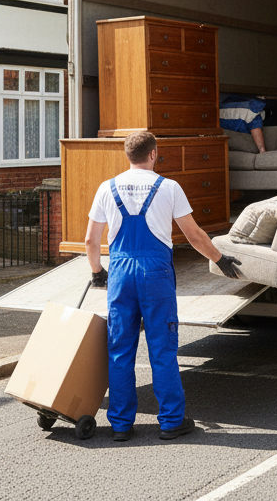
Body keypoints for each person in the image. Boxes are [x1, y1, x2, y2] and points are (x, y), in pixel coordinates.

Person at [84, 131, 243, 442]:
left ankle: (120, 424)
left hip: (120, 273)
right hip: (155, 273)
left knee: (119, 350)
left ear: (126, 155)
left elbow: (91, 239)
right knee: (162, 348)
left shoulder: (107, 187)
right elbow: (194, 235)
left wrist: (97, 272)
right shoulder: (169, 188)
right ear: (153, 154)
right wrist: (220, 259)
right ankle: (170, 421)